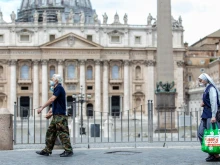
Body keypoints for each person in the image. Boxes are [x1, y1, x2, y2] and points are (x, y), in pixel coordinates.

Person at [36, 74, 73, 157]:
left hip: (60, 116)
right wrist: (52, 110)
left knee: (63, 133)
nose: (51, 81)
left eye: (52, 79)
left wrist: (42, 107)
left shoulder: (59, 87)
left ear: (56, 81)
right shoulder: (56, 89)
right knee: (50, 132)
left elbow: (52, 99)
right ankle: (47, 150)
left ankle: (68, 150)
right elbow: (57, 102)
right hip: (56, 115)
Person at [198, 73, 220, 162]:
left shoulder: (211, 88)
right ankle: (212, 153)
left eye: (201, 80)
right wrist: (204, 103)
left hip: (211, 115)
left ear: (206, 79)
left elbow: (214, 102)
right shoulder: (206, 88)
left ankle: (215, 154)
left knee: (212, 135)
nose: (200, 81)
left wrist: (214, 116)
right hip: (205, 114)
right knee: (201, 133)